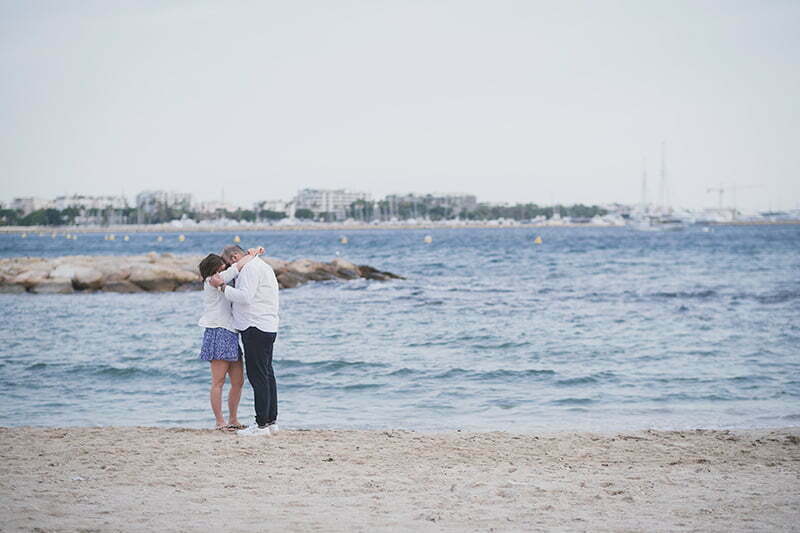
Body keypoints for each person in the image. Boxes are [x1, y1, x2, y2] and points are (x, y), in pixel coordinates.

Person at [210, 244, 280, 437]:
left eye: (226, 264)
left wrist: (223, 287)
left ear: (234, 257)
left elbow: (245, 297)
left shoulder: (250, 269)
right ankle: (271, 421)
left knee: (258, 377)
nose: (226, 268)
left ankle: (261, 424)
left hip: (255, 326)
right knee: (267, 375)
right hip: (266, 325)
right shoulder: (261, 265)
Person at [197, 247, 263, 431]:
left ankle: (233, 419)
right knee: (218, 382)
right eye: (221, 267)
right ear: (214, 270)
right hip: (218, 331)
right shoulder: (212, 280)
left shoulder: (220, 280)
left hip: (231, 333)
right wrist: (252, 254)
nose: (225, 268)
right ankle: (220, 421)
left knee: (238, 381)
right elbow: (235, 269)